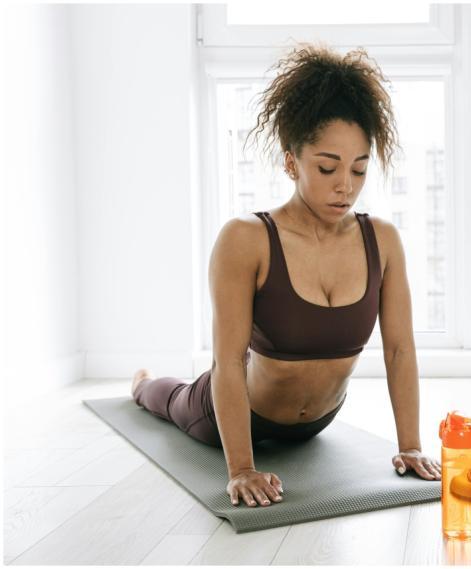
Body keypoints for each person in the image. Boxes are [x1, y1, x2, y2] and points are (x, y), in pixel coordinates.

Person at [131, 41, 441, 509]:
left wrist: (410, 444)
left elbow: (399, 350)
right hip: (229, 418)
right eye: (327, 167)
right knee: (168, 399)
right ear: (291, 161)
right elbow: (229, 362)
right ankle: (141, 382)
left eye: (359, 169)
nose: (345, 185)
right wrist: (240, 469)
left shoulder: (383, 240)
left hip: (318, 421)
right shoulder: (246, 238)